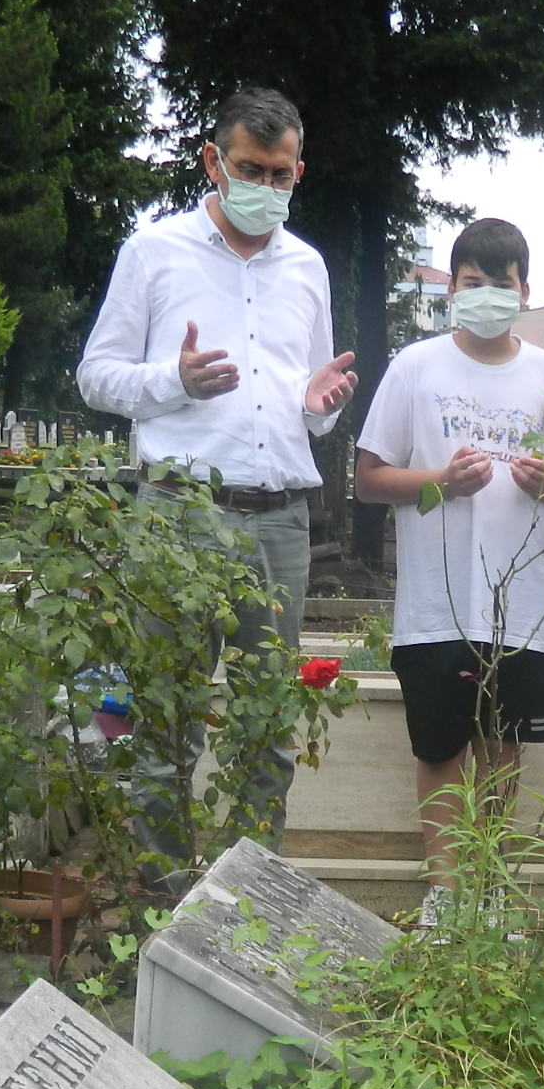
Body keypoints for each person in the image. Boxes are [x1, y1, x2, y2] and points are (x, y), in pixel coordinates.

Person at [74, 86, 360, 881]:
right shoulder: (154, 252)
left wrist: (319, 405)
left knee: (267, 723)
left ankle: (251, 895)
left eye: (281, 174)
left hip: (280, 521)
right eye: (249, 169)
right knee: (164, 719)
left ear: (298, 171)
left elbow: (315, 404)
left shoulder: (307, 266)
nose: (265, 188)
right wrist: (176, 382)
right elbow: (96, 375)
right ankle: (161, 896)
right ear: (212, 161)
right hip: (178, 514)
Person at [353, 219, 544, 928]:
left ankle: (490, 891)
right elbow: (369, 480)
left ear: (525, 291)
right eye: (472, 283)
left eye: (500, 284)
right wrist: (441, 484)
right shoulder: (415, 368)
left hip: (523, 606)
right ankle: (446, 895)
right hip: (436, 604)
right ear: (452, 288)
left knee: (503, 749)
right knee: (442, 748)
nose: (485, 296)